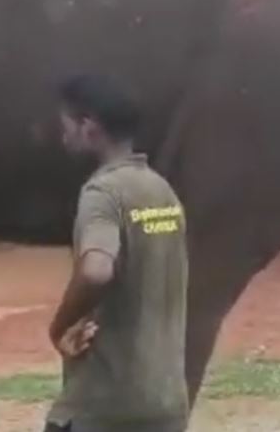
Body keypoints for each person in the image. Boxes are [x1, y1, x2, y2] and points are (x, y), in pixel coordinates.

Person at [45, 75, 190, 432]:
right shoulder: (162, 191)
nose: (62, 135)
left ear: (89, 127)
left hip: (105, 405)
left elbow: (96, 269)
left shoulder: (103, 193)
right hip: (166, 402)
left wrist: (59, 327)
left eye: (66, 124)